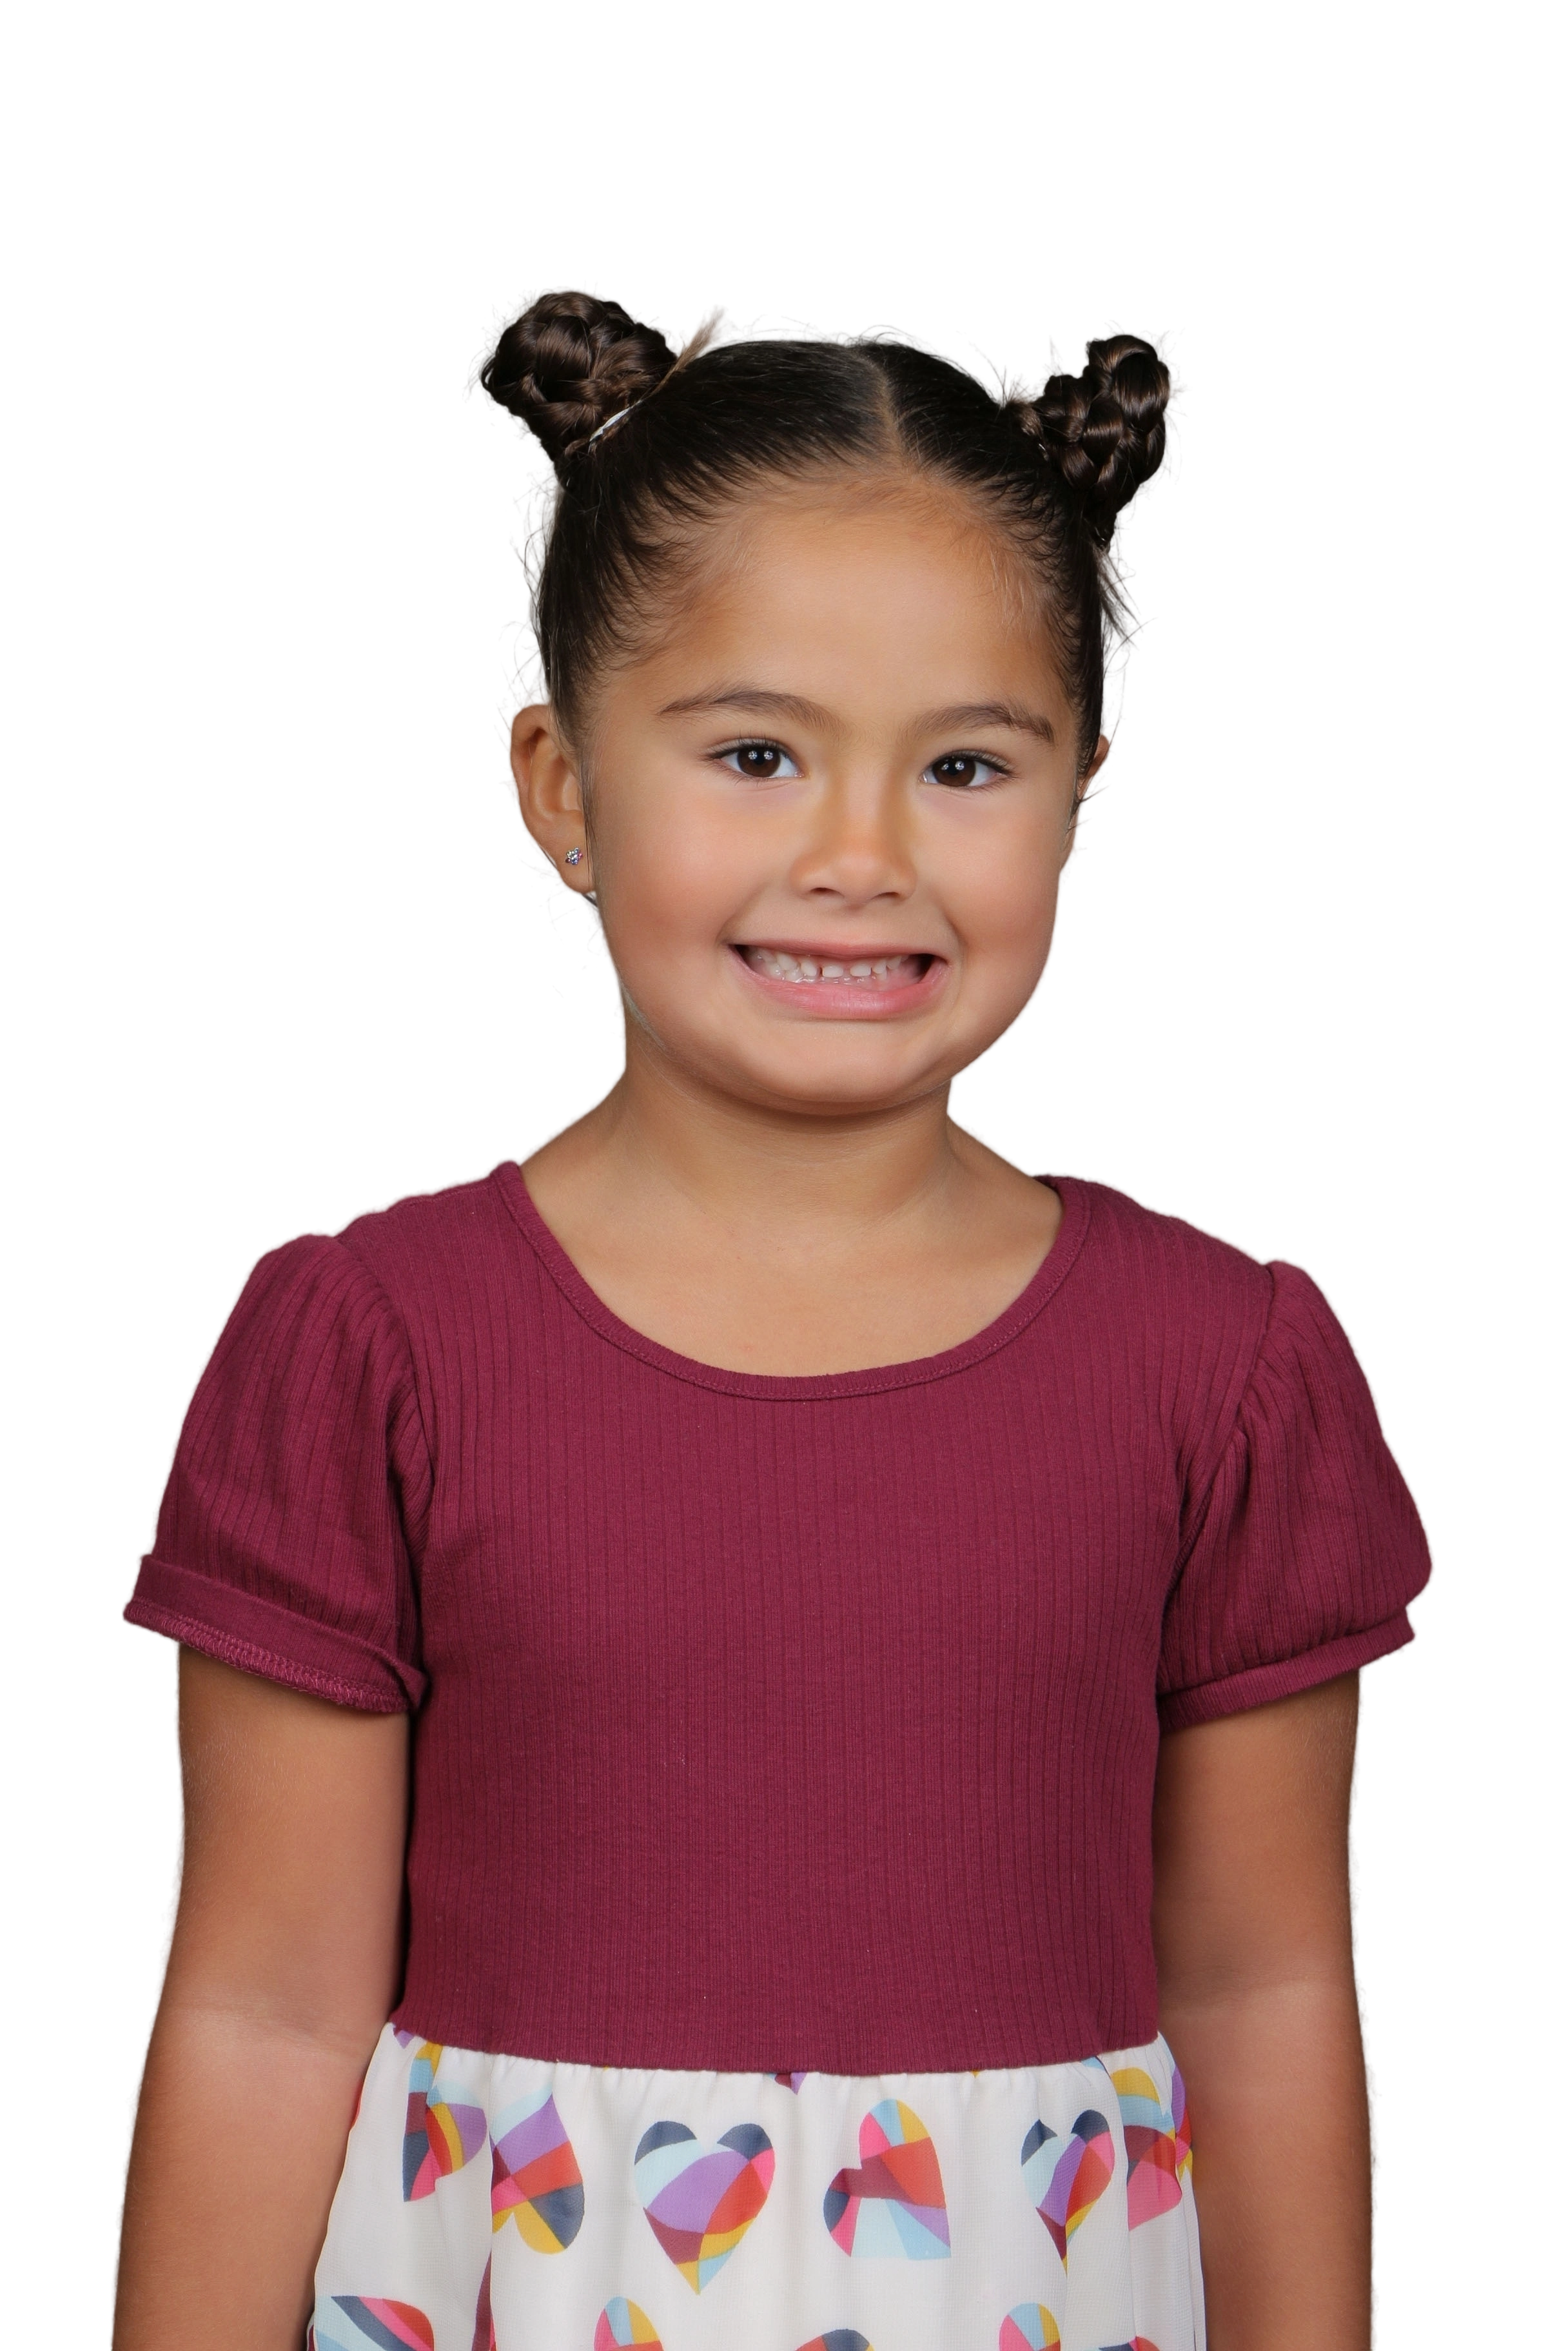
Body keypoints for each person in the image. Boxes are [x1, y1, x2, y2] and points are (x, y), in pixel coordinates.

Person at [109, 283, 1437, 2351]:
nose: (860, 855)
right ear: (560, 783)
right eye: (755, 754)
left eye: (967, 764)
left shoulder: (1229, 1365)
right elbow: (267, 2009)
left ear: (1086, 788)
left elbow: (1263, 1989)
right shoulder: (368, 1342)